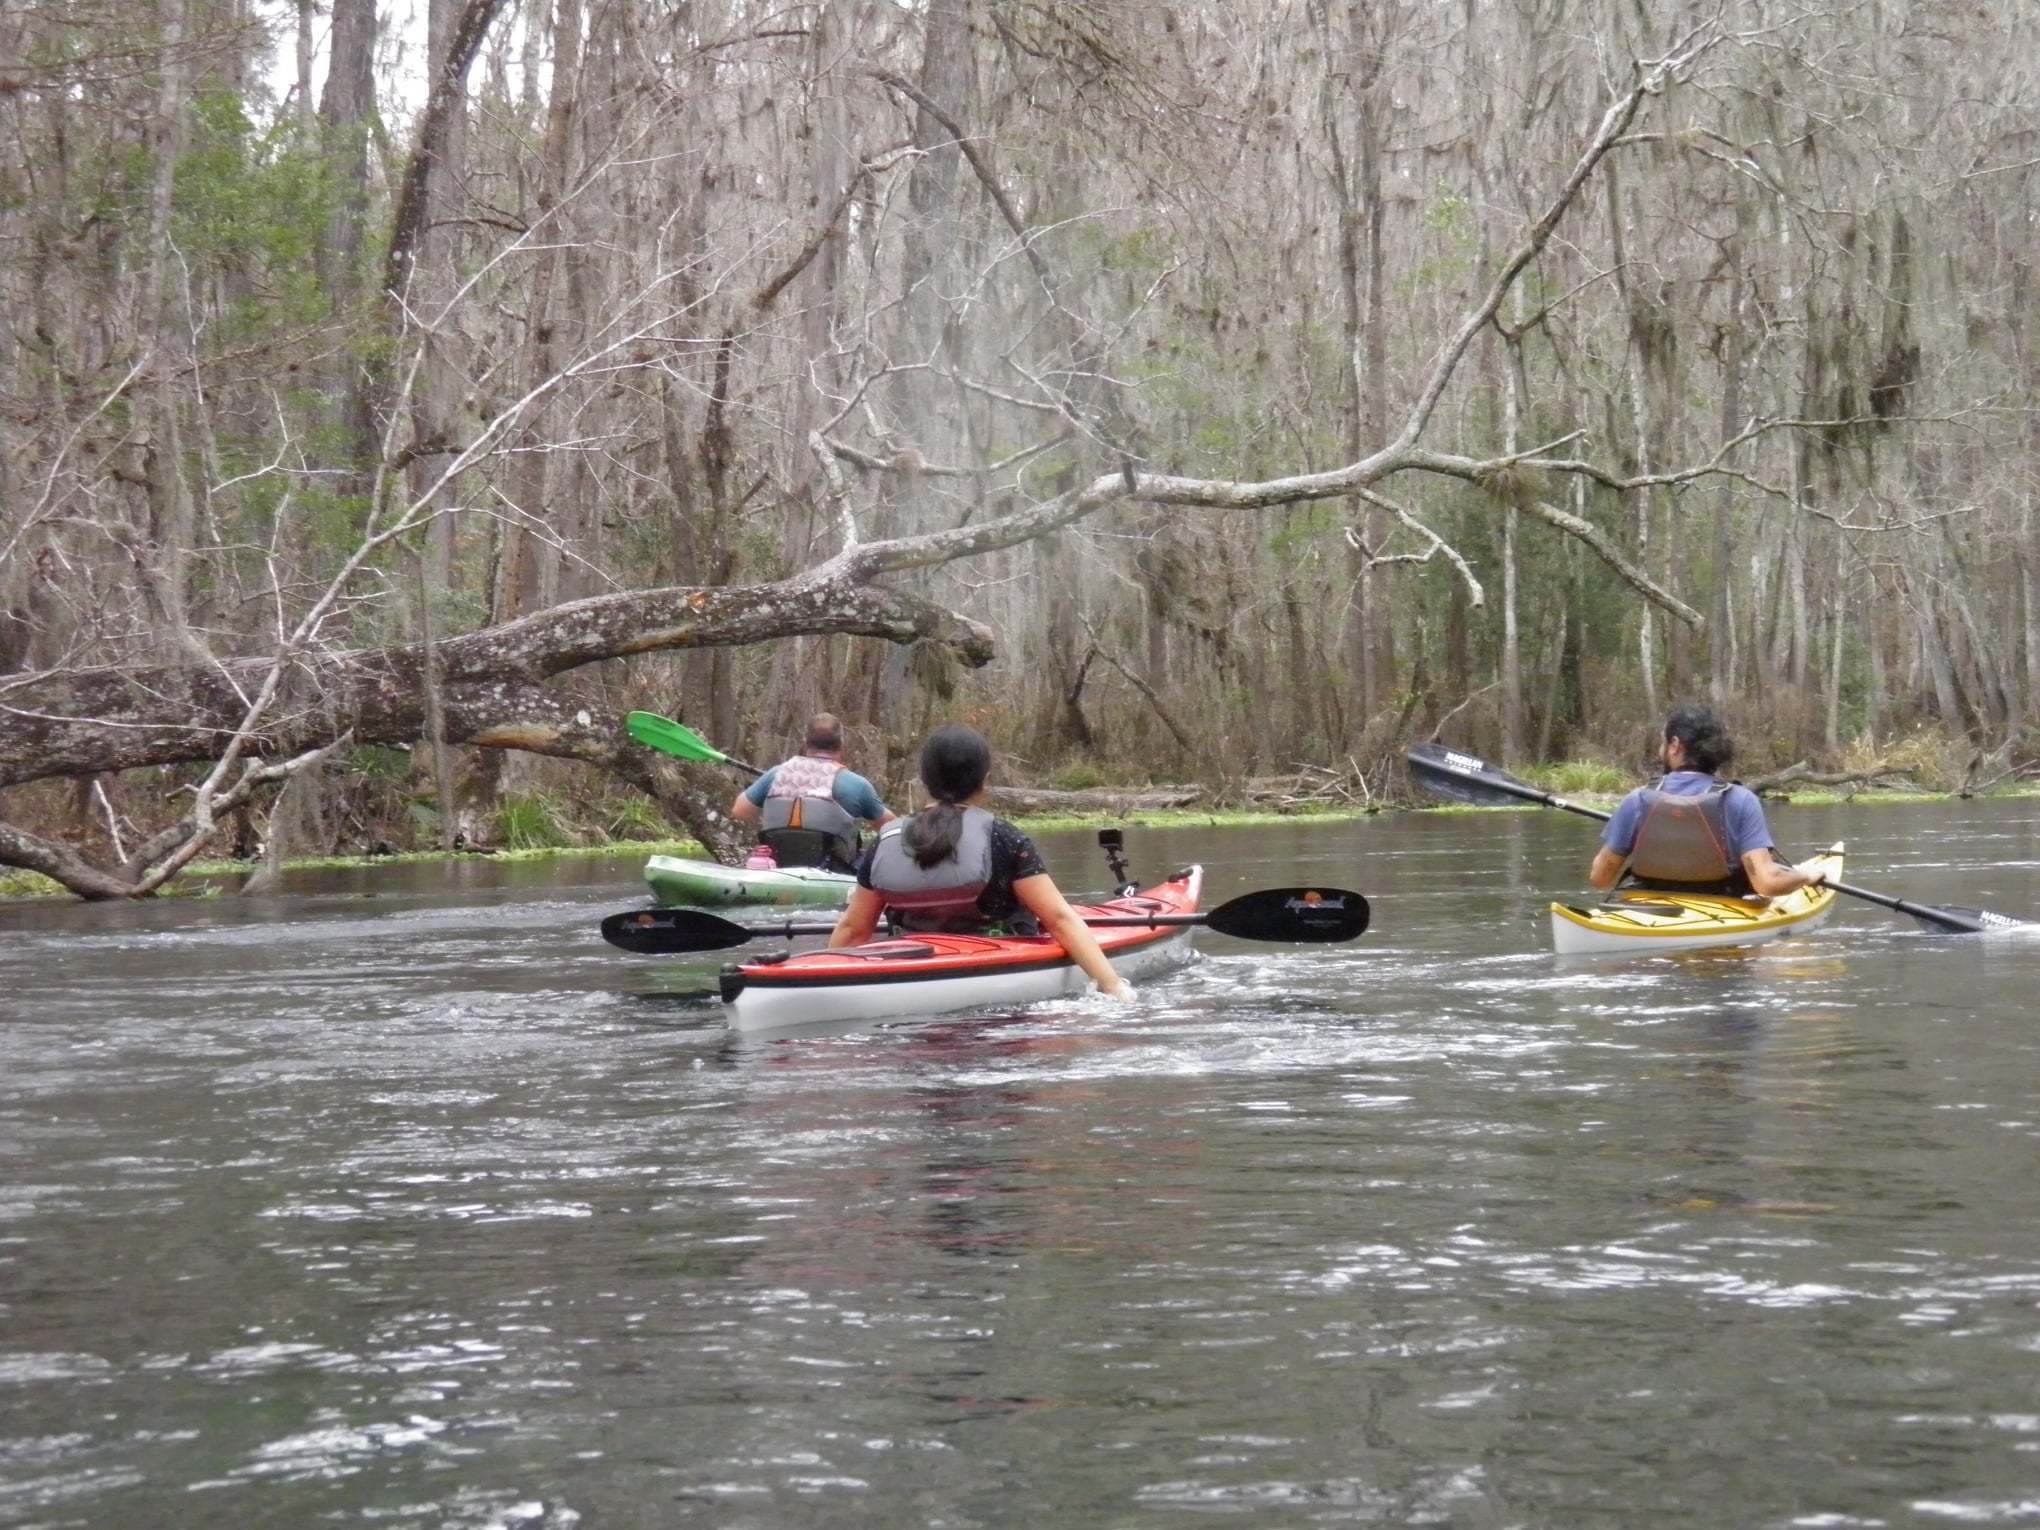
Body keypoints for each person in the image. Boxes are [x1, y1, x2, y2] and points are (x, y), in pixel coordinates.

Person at [828, 724, 1135, 1001]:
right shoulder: (1002, 837)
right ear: (985, 781)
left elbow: (854, 929)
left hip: (909, 966)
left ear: (924, 781)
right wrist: (1114, 986)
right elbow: (1059, 920)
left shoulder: (886, 838)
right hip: (998, 973)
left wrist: (826, 978)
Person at [1588, 703, 1829, 898]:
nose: (1661, 749)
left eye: (1664, 742)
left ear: (1675, 746)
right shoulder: (1741, 801)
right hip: (1722, 907)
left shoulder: (1637, 799)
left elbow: (1600, 879)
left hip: (1649, 906)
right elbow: (1767, 884)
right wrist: (1805, 877)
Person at [730, 713, 894, 872]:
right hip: (837, 870)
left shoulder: (775, 774)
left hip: (780, 866)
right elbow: (891, 827)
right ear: (842, 744)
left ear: (805, 742)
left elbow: (740, 811)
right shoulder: (857, 785)